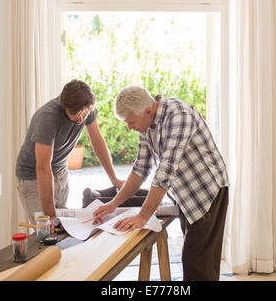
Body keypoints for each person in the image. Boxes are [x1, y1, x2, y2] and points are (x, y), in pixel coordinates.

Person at [93, 85, 229, 281]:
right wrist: (113, 204)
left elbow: (165, 172)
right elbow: (140, 169)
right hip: (186, 194)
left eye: (131, 122)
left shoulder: (179, 116)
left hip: (207, 193)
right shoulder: (146, 123)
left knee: (198, 264)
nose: (129, 128)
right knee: (194, 260)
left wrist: (142, 216)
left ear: (148, 111)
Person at [16, 79, 124, 229]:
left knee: (65, 228)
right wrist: (51, 216)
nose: (80, 119)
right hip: (33, 177)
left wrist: (115, 180)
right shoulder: (47, 117)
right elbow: (42, 168)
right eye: (74, 115)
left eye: (84, 114)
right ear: (64, 105)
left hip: (60, 173)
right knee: (46, 231)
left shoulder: (87, 107)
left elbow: (98, 142)